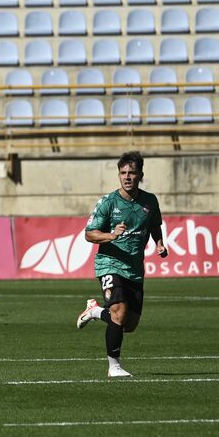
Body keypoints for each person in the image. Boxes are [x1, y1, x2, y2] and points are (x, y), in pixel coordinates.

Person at [74, 151, 168, 378]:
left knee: (129, 324)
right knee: (119, 312)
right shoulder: (108, 202)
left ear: (140, 175)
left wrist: (159, 243)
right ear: (118, 175)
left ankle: (96, 311)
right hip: (110, 263)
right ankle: (113, 366)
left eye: (132, 172)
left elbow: (154, 224)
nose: (127, 177)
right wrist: (111, 235)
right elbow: (89, 234)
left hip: (134, 268)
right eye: (123, 172)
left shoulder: (150, 201)